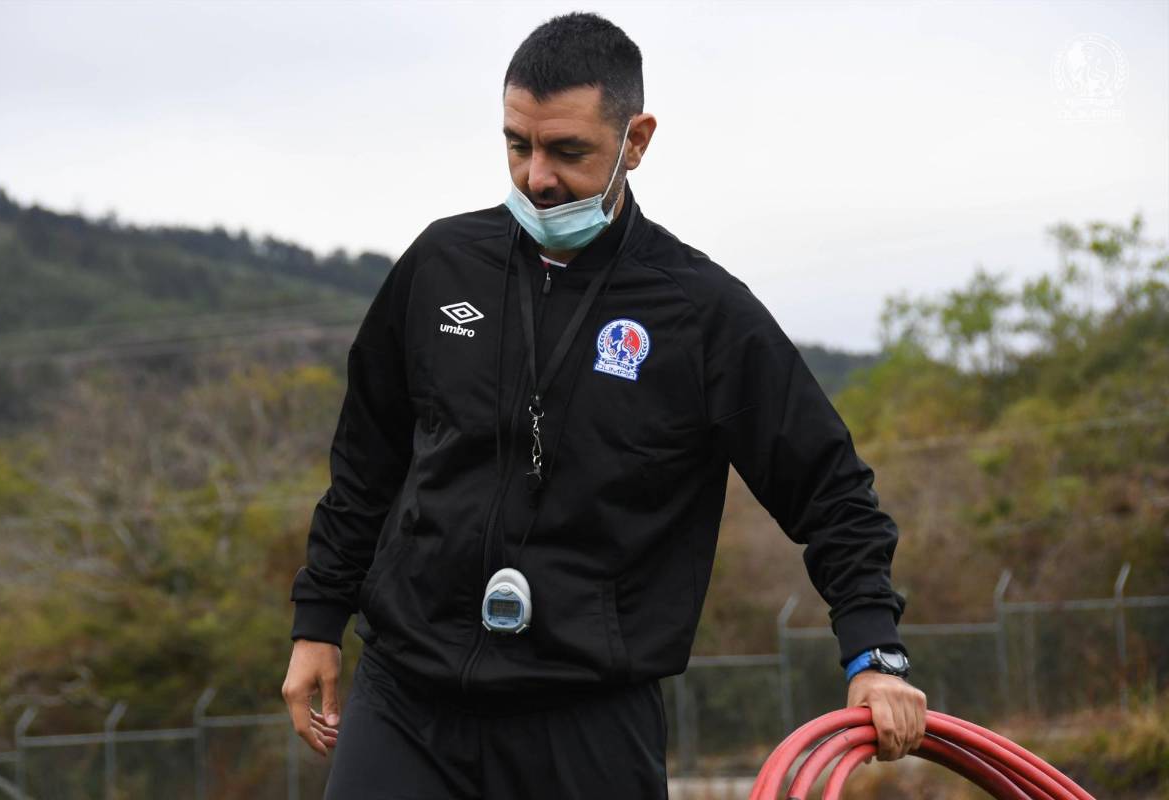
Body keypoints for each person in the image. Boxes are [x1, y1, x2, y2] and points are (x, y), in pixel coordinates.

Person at [281, 12, 926, 799]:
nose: (537, 177)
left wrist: (873, 652)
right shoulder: (442, 266)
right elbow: (366, 461)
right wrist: (319, 617)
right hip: (407, 698)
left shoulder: (700, 312)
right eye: (518, 144)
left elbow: (830, 490)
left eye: (568, 151)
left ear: (637, 140)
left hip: (585, 720)